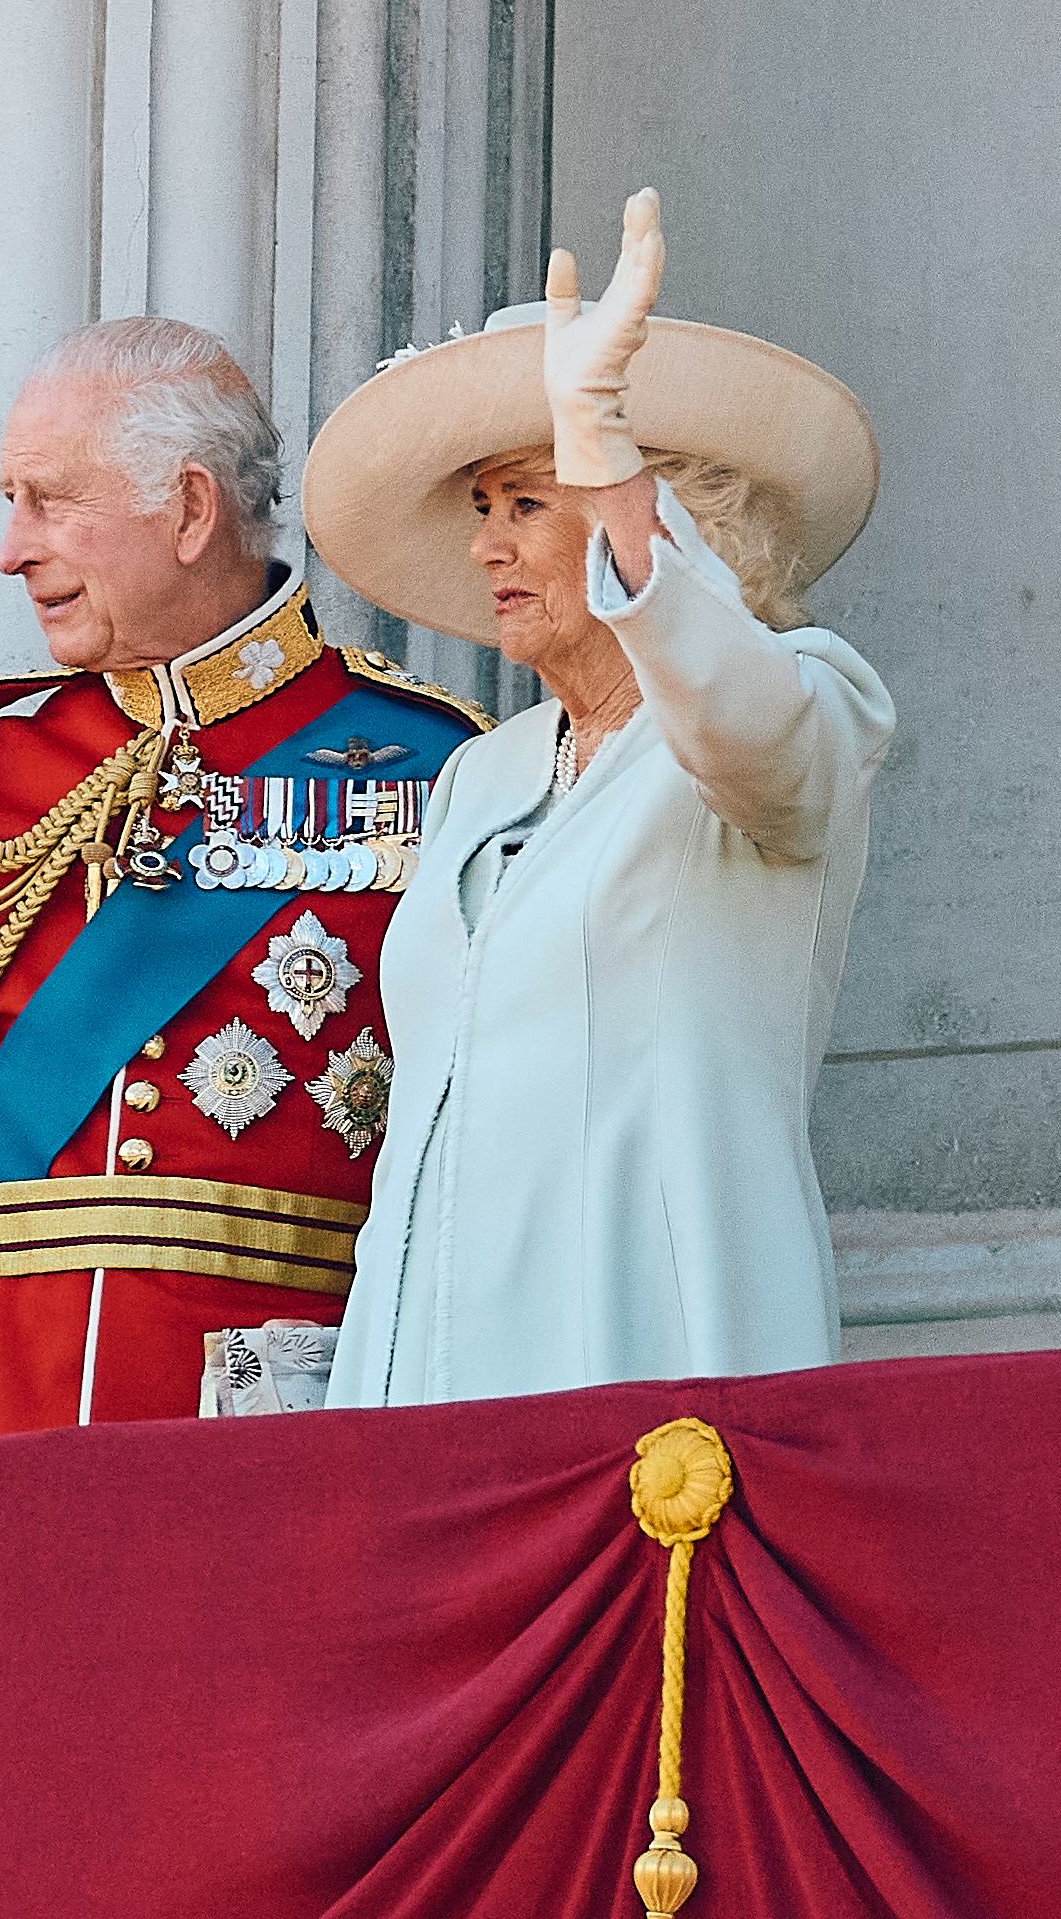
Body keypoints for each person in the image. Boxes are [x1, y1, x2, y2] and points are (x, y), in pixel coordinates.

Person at [0, 320, 489, 1443]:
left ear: (190, 510)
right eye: (11, 500)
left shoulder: (438, 766)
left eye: (49, 501)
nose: (11, 549)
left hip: (274, 1422)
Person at [305, 191, 892, 1403]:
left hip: (653, 1368)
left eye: (529, 501)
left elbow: (749, 724)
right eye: (484, 508)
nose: (487, 545)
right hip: (427, 1389)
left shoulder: (802, 712)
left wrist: (605, 461)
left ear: (666, 510)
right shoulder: (484, 772)